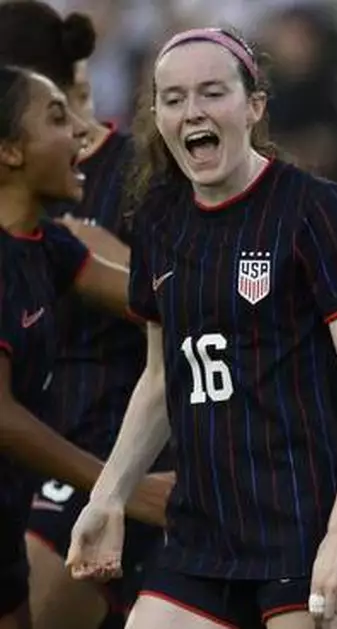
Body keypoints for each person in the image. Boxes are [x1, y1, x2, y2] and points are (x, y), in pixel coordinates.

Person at [63, 27, 337, 629]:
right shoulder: (160, 222)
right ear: (157, 115)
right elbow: (162, 380)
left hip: (308, 523)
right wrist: (107, 497)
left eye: (212, 93)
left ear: (254, 106)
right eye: (173, 98)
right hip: (205, 533)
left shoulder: (314, 208)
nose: (193, 111)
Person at [0, 4, 167, 628]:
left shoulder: (53, 245)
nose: (81, 133)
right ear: (10, 150)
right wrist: (119, 486)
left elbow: (162, 302)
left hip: (29, 500)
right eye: (57, 118)